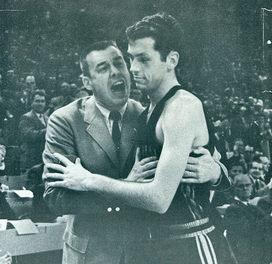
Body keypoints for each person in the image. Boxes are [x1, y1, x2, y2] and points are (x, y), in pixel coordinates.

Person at [45, 14, 232, 264]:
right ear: (87, 83)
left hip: (169, 244)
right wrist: (124, 183)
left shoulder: (163, 108)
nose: (127, 70)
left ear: (171, 60)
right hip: (100, 251)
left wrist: (217, 172)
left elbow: (204, 167)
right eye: (104, 68)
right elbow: (55, 197)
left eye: (121, 62)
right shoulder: (65, 119)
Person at [224, 173, 272, 264]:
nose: (245, 188)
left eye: (247, 185)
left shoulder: (252, 207)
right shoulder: (232, 210)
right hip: (246, 257)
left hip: (258, 255)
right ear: (234, 189)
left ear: (252, 187)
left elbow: (267, 221)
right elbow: (249, 228)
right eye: (241, 186)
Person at [19, 89, 48, 174]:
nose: (40, 104)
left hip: (42, 161)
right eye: (37, 101)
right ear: (31, 103)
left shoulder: (47, 118)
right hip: (30, 161)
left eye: (42, 101)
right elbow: (30, 135)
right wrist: (50, 129)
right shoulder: (26, 117)